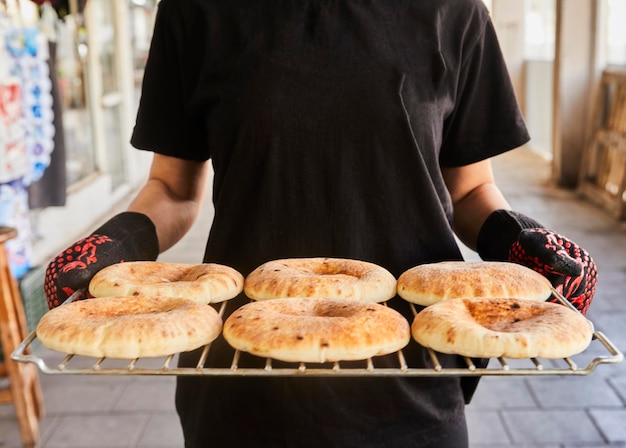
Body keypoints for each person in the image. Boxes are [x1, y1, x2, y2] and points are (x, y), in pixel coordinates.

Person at [44, 0, 597, 446]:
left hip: (410, 381)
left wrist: (516, 239)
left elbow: (470, 187)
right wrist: (116, 242)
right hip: (242, 379)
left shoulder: (452, 11)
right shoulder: (197, 12)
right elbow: (172, 187)